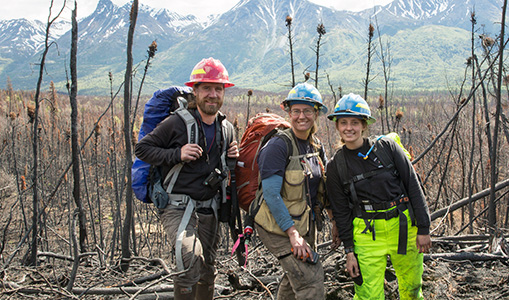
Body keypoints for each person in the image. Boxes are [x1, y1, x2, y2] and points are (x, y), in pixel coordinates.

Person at [134, 57, 239, 300]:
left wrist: (232, 156)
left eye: (218, 89)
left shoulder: (227, 128)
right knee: (189, 258)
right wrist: (176, 154)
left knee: (207, 267)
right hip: (177, 206)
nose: (212, 95)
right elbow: (142, 149)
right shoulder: (177, 123)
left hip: (209, 208)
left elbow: (223, 168)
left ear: (224, 92)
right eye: (206, 88)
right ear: (195, 91)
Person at [325, 94, 431, 300]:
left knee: (412, 289)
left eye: (354, 122)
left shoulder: (387, 148)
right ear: (337, 126)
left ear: (364, 125)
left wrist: (423, 228)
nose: (349, 128)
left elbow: (412, 185)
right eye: (343, 123)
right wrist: (349, 251)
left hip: (403, 226)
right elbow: (341, 212)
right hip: (366, 234)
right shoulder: (336, 166)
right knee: (367, 295)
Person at [252, 82, 338, 300]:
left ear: (316, 113)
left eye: (308, 110)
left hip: (303, 224)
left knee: (295, 278)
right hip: (276, 226)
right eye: (296, 110)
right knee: (310, 280)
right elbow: (271, 195)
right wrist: (293, 235)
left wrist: (334, 221)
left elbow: (322, 188)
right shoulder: (278, 146)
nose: (302, 116)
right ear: (288, 112)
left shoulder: (315, 146)